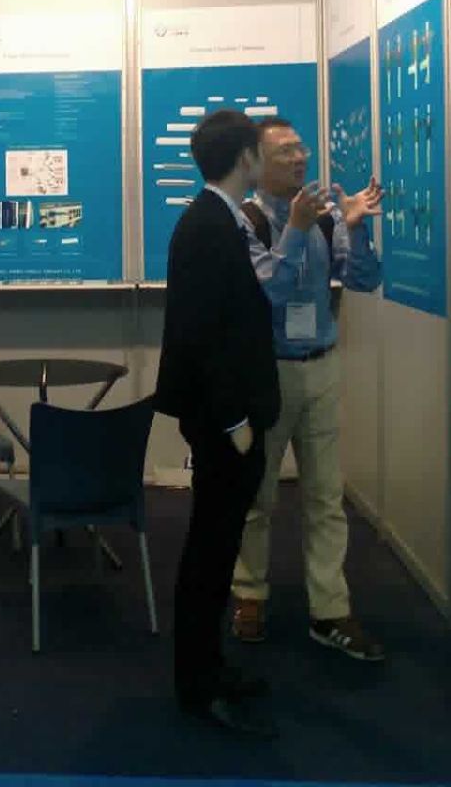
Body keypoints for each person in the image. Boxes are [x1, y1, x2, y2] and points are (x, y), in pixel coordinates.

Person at [232, 117, 384, 661]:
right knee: (258, 496)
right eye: (285, 152)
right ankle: (249, 593)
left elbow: (364, 279)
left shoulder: (325, 217)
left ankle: (330, 609)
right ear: (256, 162)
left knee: (325, 495)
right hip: (268, 374)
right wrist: (295, 229)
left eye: (301, 149)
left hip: (320, 366)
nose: (299, 159)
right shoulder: (246, 220)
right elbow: (268, 293)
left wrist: (356, 228)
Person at [155, 110, 280, 737]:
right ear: (244, 158)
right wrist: (234, 422)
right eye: (260, 150)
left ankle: (211, 667)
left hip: (232, 417)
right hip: (223, 423)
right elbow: (202, 335)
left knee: (220, 545)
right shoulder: (206, 226)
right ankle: (197, 685)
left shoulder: (221, 219)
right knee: (208, 552)